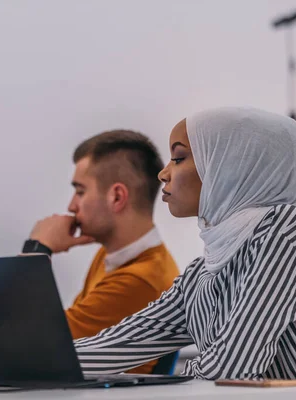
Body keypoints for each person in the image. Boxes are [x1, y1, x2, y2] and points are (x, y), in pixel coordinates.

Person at [0, 107, 296, 382]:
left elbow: (230, 368)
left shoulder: (285, 231)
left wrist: (171, 378)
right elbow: (117, 344)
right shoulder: (207, 269)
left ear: (230, 168)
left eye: (179, 158)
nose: (164, 174)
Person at [20, 130, 179, 373]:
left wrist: (37, 249)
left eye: (80, 191)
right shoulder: (111, 256)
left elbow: (24, 343)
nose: (71, 206)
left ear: (116, 197)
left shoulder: (139, 280)